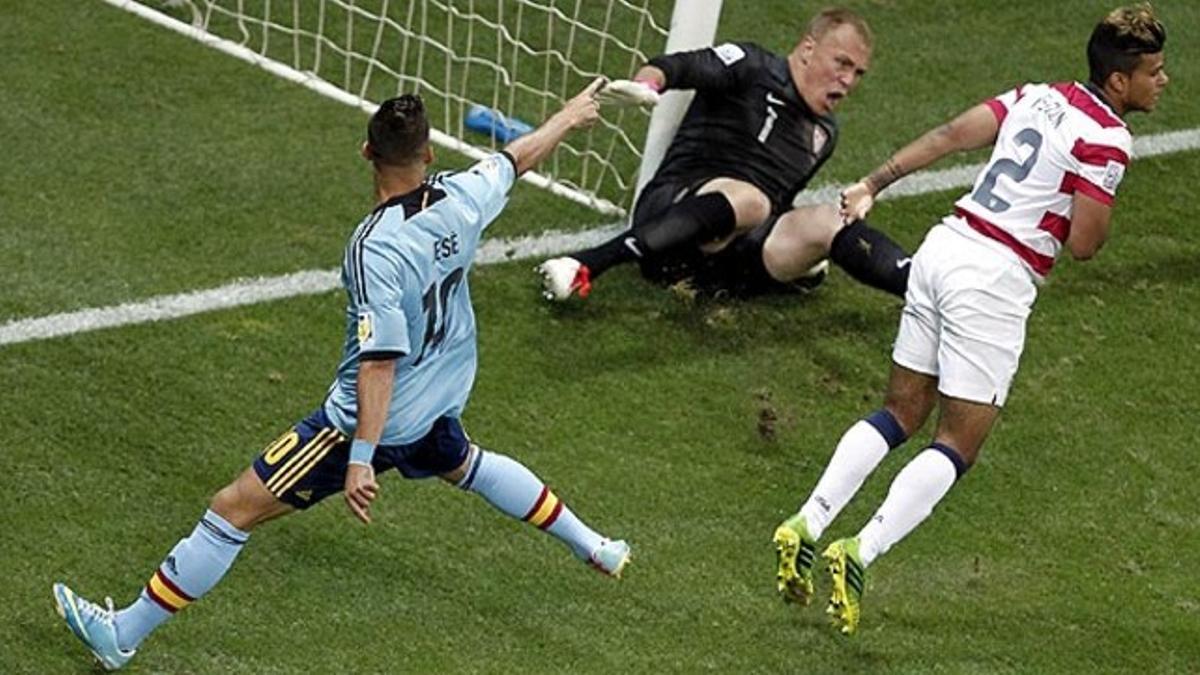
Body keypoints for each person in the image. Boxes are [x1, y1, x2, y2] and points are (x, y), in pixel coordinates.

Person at [52, 80, 631, 670]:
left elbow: (380, 361)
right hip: (443, 392)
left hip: (370, 419)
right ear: (428, 154)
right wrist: (569, 116)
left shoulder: (373, 248)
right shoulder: (463, 195)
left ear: (365, 152)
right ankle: (597, 546)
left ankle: (122, 634)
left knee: (233, 509)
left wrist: (360, 455)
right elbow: (517, 158)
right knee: (467, 464)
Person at [772, 3, 1167, 636]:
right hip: (993, 280)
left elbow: (953, 133)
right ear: (1119, 82)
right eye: (1154, 71)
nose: (1163, 82)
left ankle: (808, 520)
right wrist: (1072, 197)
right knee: (958, 442)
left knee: (899, 412)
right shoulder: (1108, 139)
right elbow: (1087, 244)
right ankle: (859, 550)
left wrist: (874, 181)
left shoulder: (1037, 96)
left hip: (942, 248)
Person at [537, 7, 912, 302]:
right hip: (672, 210)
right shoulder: (751, 65)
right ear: (809, 48)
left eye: (858, 72)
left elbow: (780, 205)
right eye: (842, 63)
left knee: (833, 220)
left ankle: (923, 292)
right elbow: (679, 66)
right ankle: (589, 262)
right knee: (751, 201)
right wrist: (647, 85)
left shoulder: (824, 134)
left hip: (729, 260)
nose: (848, 81)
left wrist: (804, 247)